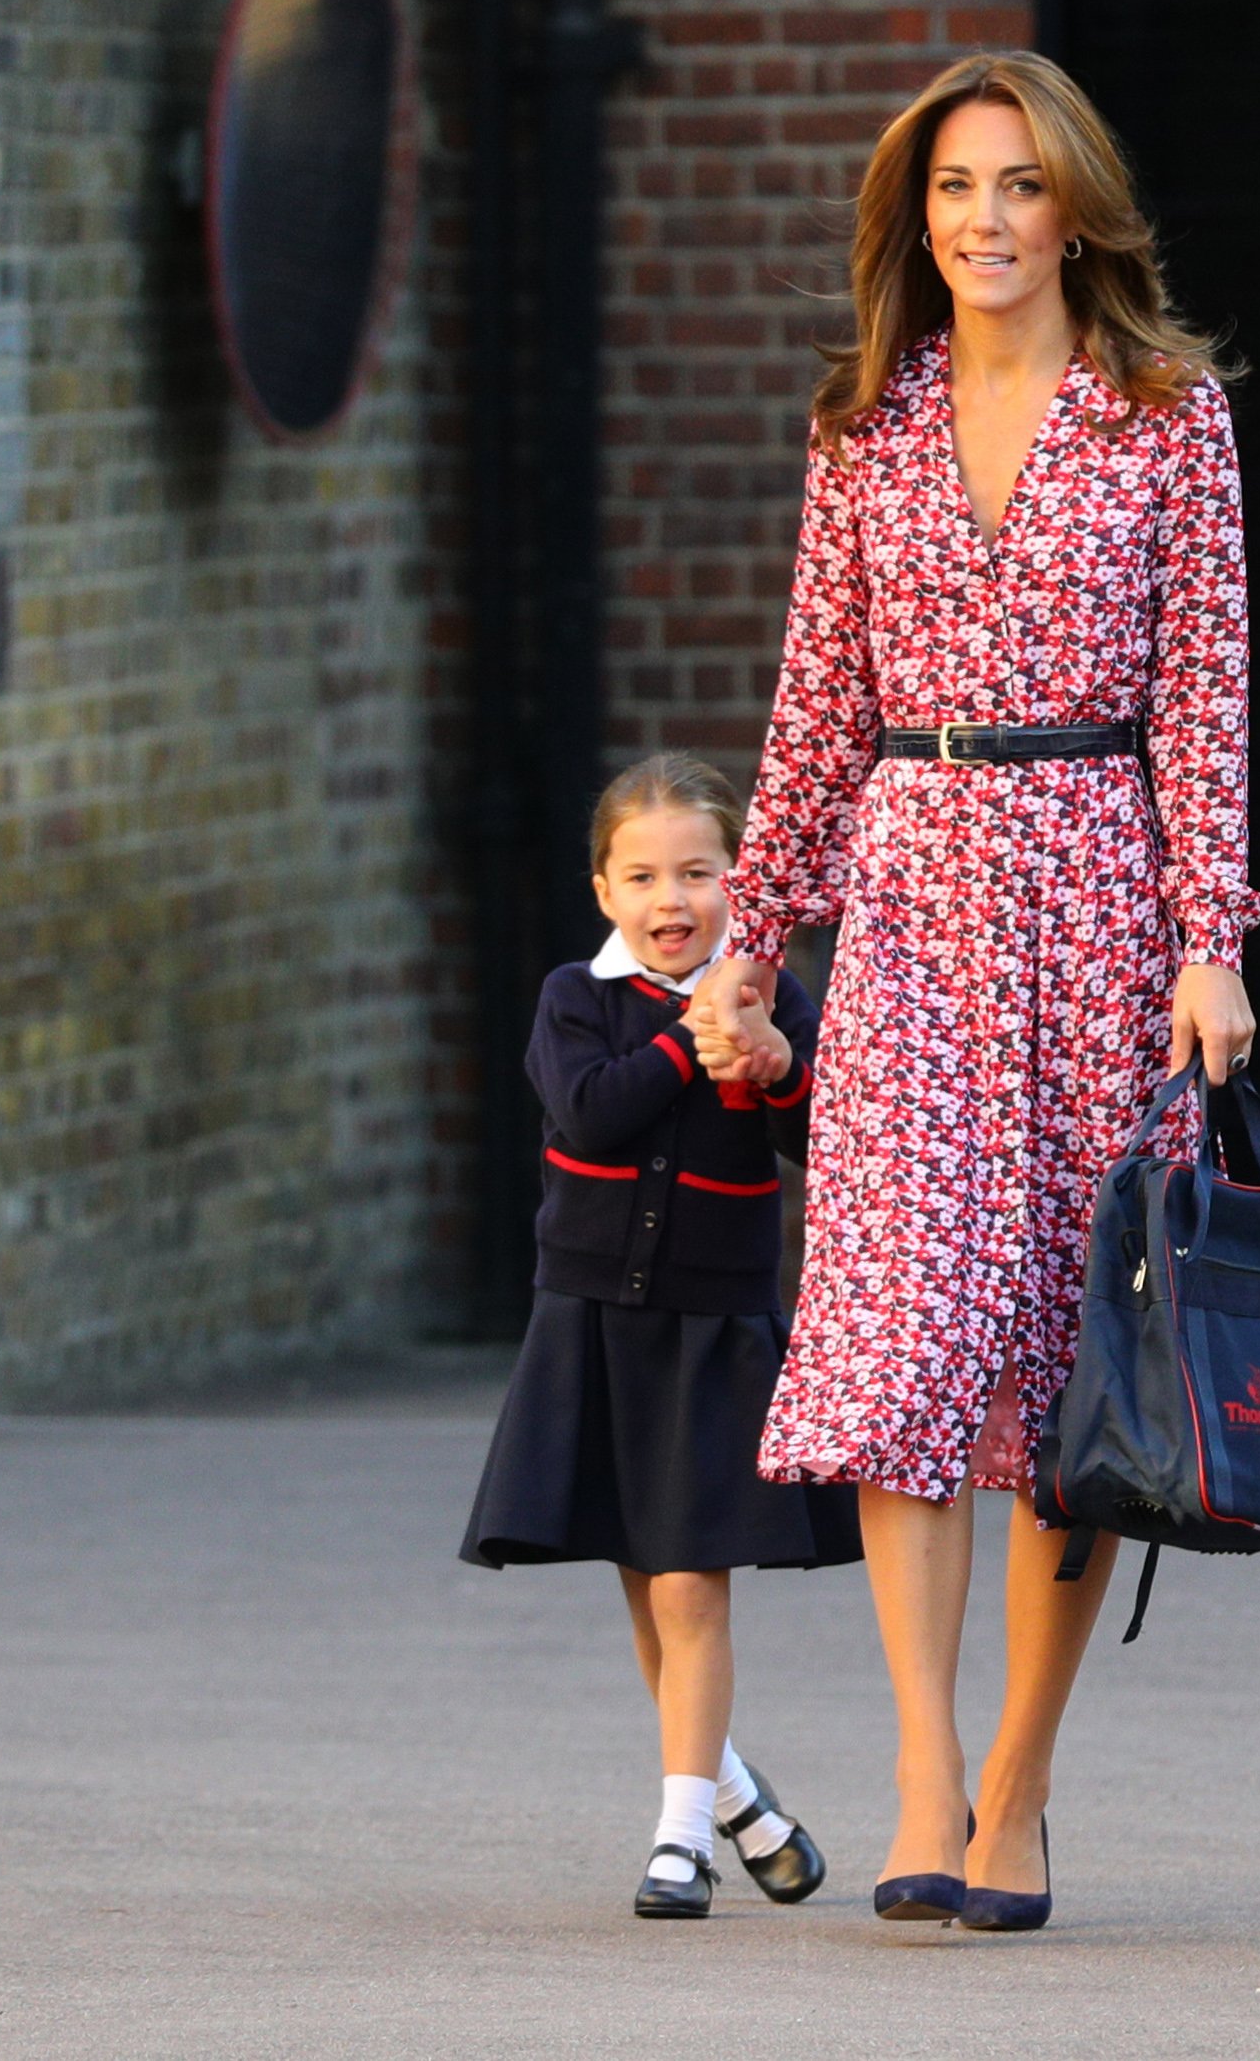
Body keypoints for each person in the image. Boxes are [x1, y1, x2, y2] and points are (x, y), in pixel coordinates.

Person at [692, 50, 1260, 1936]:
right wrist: (751, 937)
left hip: (1099, 897)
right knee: (900, 1338)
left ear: (1074, 210)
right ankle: (924, 1774)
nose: (985, 219)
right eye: (953, 186)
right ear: (915, 214)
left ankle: (1019, 1775)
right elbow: (813, 702)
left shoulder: (1167, 417)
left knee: (1072, 1364)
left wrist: (1209, 936)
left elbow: (1205, 696)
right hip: (914, 902)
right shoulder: (863, 423)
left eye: (1019, 185)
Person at [461, 752, 861, 1920]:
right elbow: (590, 1109)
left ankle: (680, 1840)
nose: (670, 898)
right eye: (640, 875)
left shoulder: (774, 995)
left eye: (697, 871)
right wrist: (693, 1037)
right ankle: (739, 1799)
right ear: (603, 889)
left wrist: (779, 1066)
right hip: (592, 1321)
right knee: (647, 1585)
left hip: (711, 1325)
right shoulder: (573, 999)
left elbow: (826, 1137)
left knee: (689, 1584)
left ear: (740, 881)